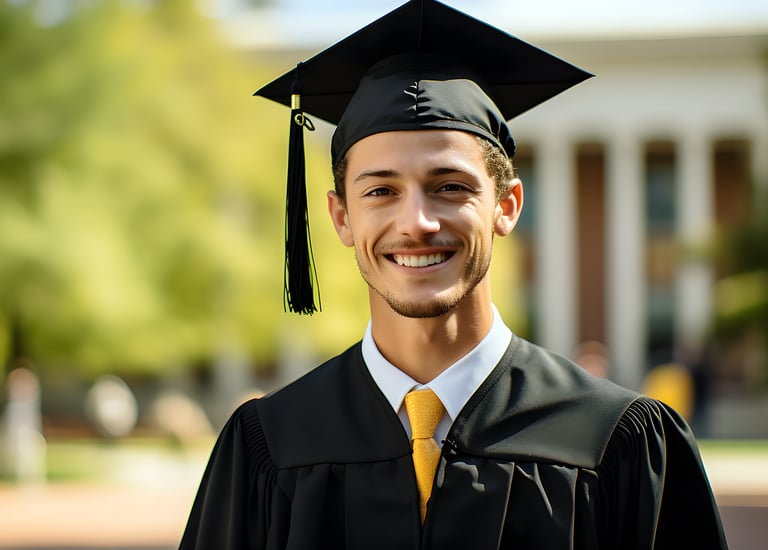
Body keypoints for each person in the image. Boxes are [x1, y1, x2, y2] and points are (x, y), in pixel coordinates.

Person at [179, 1, 727, 548]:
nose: (416, 222)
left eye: (450, 186)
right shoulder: (268, 446)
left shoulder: (618, 442)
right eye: (380, 191)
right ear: (342, 217)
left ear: (507, 206)